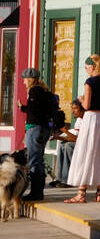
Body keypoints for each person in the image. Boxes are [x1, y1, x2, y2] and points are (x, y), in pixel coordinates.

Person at [65, 55, 100, 204]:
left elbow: (87, 106)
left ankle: (81, 193)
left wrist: (81, 100)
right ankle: (99, 193)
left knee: (86, 151)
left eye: (87, 67)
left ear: (92, 67)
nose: (86, 70)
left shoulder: (89, 82)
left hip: (92, 118)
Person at [19, 68, 55, 202]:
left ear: (30, 79)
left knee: (33, 160)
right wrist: (23, 108)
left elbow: (34, 112)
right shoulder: (43, 91)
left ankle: (35, 192)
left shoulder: (35, 91)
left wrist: (30, 127)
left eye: (24, 79)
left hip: (35, 128)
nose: (23, 82)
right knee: (38, 160)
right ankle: (38, 192)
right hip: (42, 129)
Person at [54, 98, 85, 186]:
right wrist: (59, 137)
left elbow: (77, 139)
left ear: (82, 109)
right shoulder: (79, 120)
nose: (73, 111)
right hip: (80, 143)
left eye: (75, 108)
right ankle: (60, 178)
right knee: (62, 144)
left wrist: (64, 131)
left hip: (88, 146)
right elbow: (75, 138)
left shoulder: (86, 119)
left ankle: (67, 179)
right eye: (72, 109)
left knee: (68, 146)